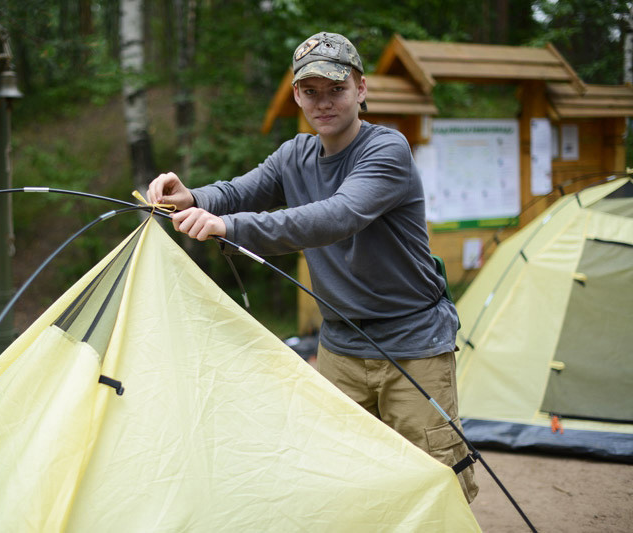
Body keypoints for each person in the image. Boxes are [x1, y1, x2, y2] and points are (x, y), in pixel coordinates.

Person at [147, 31, 478, 502]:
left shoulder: (387, 150)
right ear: (297, 95)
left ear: (360, 89)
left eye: (336, 89)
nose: (323, 102)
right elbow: (238, 191)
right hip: (340, 347)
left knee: (435, 481)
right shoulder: (294, 155)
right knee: (343, 481)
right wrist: (193, 197)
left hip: (413, 346)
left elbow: (337, 216)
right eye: (310, 90)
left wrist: (228, 227)